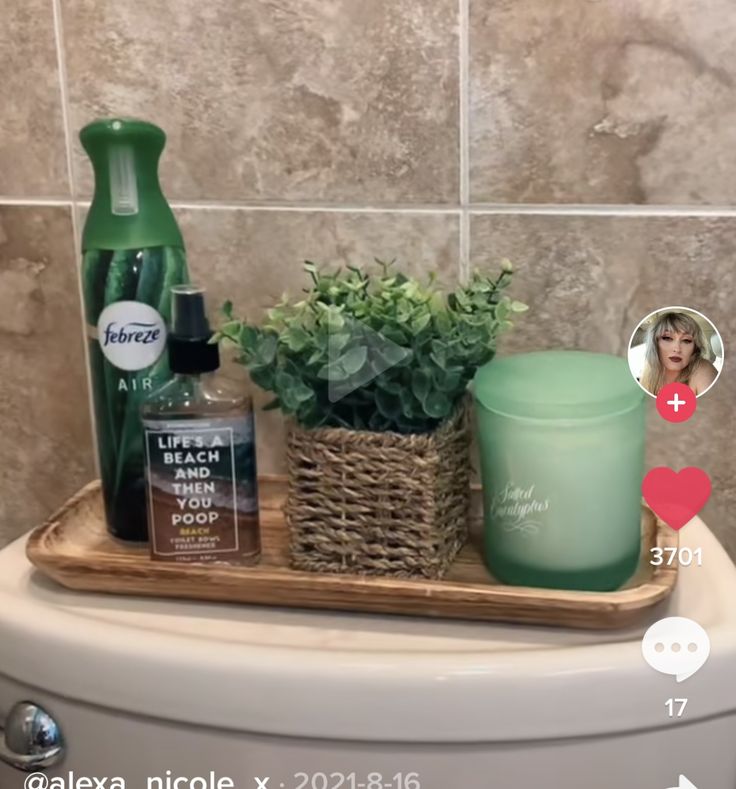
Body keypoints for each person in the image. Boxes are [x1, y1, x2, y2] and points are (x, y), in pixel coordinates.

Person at [640, 311, 718, 396]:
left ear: (695, 349)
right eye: (667, 338)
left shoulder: (703, 369)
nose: (677, 349)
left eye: (686, 340)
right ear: (655, 343)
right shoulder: (648, 371)